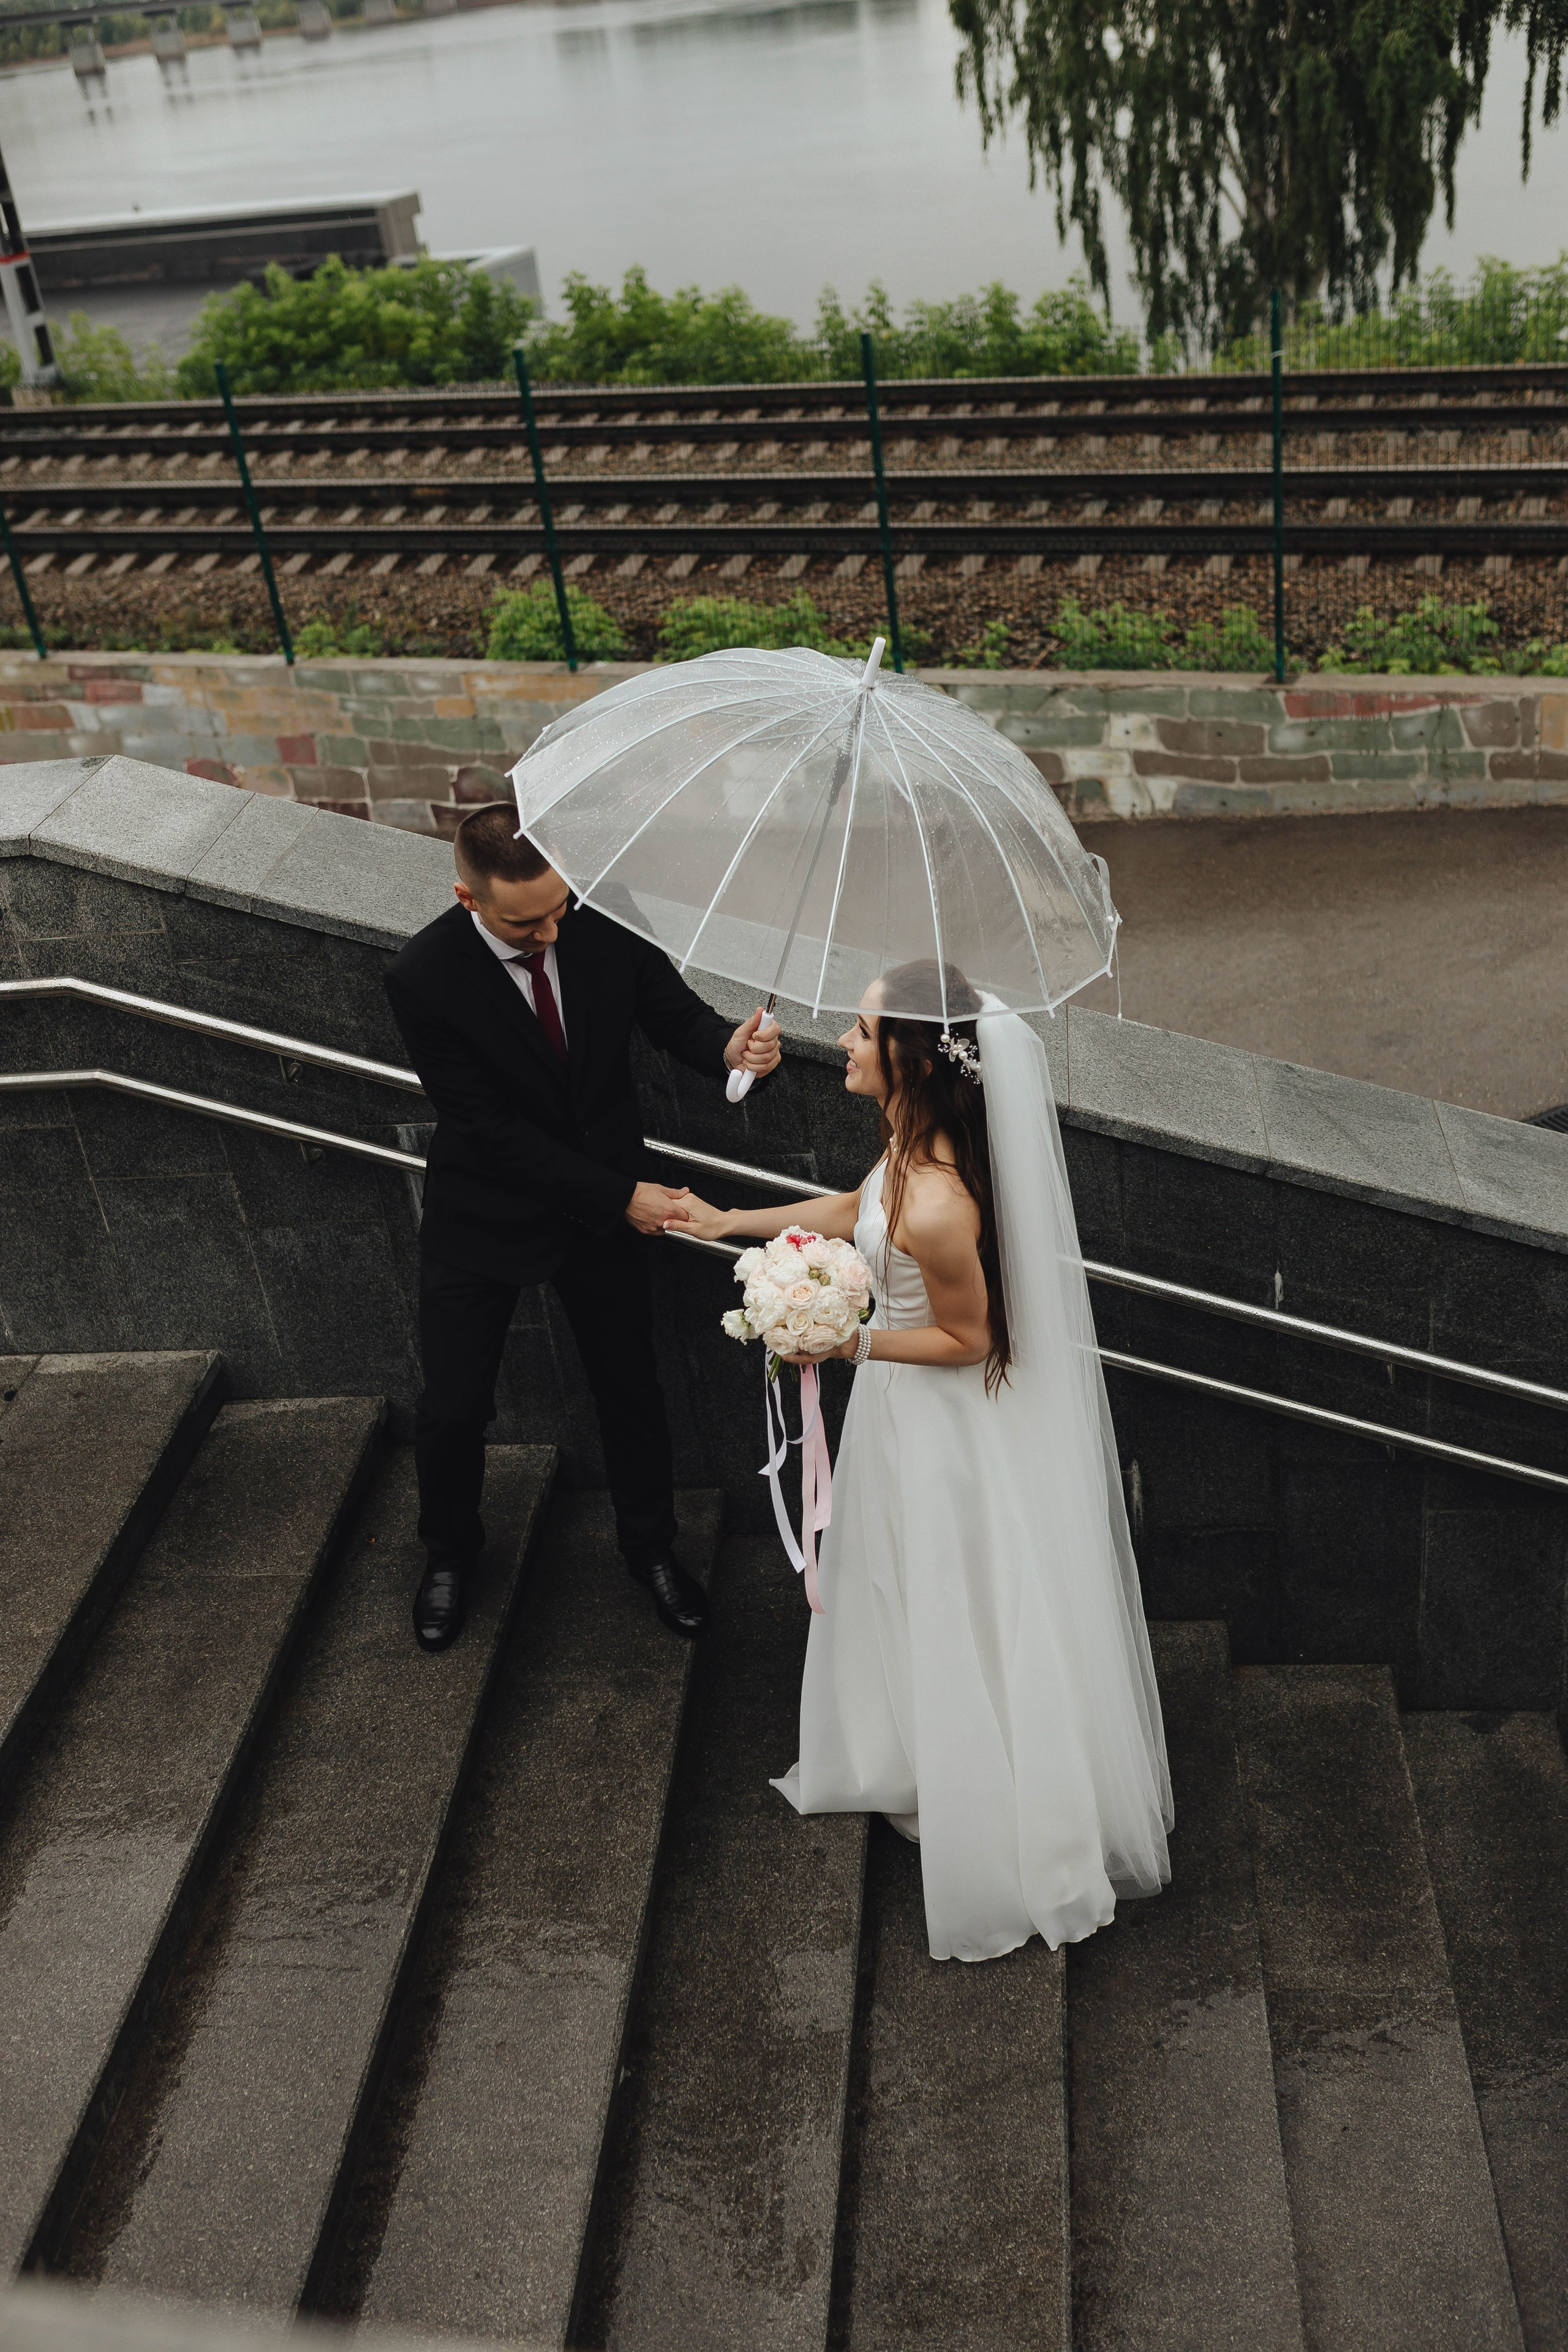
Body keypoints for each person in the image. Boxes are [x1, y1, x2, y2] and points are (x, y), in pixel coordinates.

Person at [676, 959, 1172, 1962]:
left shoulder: (943, 1202)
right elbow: (853, 1201)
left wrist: (840, 1340)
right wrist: (727, 1221)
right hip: (897, 1415)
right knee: (897, 1582)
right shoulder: (912, 1141)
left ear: (910, 1057)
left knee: (957, 1595)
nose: (846, 1047)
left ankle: (996, 1802)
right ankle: (909, 1750)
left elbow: (972, 1339)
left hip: (945, 1426)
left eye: (862, 1034)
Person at [383, 802, 781, 1653]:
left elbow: (675, 1016)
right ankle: (450, 1556)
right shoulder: (422, 975)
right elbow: (486, 1128)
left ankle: (653, 1552)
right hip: (486, 1210)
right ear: (468, 898)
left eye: (559, 908)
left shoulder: (595, 913)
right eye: (526, 922)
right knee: (453, 1409)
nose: (552, 930)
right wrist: (618, 1195)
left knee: (630, 1388)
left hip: (601, 1213)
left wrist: (730, 1050)